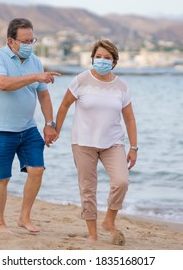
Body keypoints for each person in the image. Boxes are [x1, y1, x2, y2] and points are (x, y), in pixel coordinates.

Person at [55, 39, 138, 245]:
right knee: (88, 188)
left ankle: (109, 221)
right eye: (98, 57)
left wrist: (134, 147)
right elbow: (64, 106)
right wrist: (55, 130)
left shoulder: (121, 86)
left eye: (107, 58)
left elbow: (129, 118)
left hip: (113, 143)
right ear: (92, 58)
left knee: (122, 181)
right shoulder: (80, 80)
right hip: (83, 142)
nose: (102, 60)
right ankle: (92, 235)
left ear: (114, 62)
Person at [0, 18, 60, 233]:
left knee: (37, 170)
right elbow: (3, 84)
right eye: (25, 41)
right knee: (2, 178)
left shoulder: (35, 60)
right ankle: (0, 223)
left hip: (27, 128)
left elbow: (43, 95)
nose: (29, 44)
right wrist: (36, 76)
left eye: (32, 40)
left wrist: (49, 124)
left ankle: (24, 217)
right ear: (11, 41)